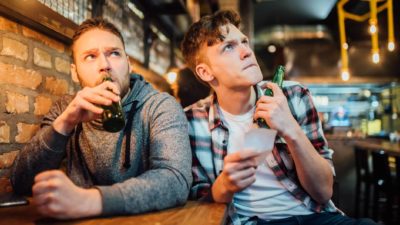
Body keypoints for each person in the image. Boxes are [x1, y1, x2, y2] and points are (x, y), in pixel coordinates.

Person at [181, 10, 377, 225]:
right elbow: (198, 206)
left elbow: (323, 192)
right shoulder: (191, 121)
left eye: (244, 42)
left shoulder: (293, 96)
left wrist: (290, 128)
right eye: (228, 47)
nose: (246, 51)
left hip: (313, 217)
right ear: (205, 72)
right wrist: (224, 187)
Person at [11, 18, 192, 219]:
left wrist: (88, 200)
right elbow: (22, 183)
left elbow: (175, 179)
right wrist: (64, 124)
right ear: (74, 72)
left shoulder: (159, 106)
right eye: (90, 56)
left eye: (114, 53)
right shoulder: (65, 108)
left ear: (129, 64)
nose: (105, 65)